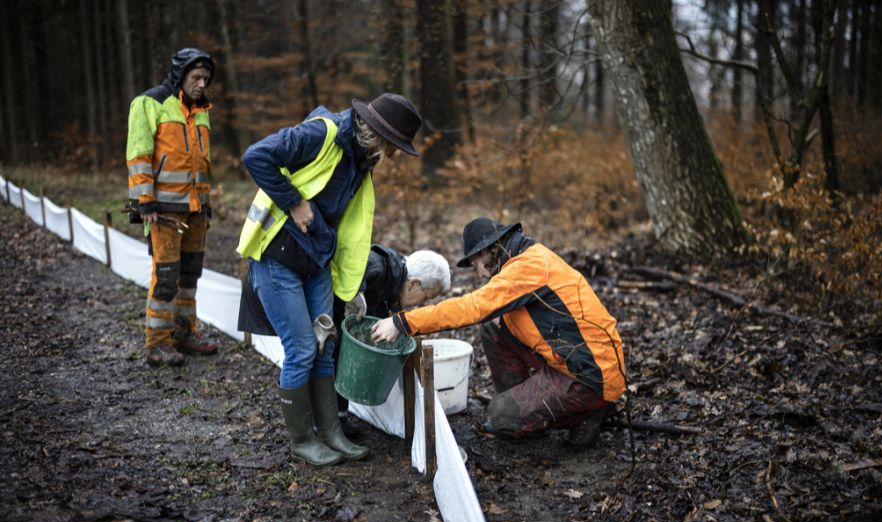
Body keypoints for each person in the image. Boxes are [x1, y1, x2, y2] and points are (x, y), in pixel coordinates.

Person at [236, 93, 423, 466]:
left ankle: (332, 433)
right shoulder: (321, 134)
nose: (395, 154)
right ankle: (303, 439)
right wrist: (293, 201)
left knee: (326, 346)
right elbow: (256, 155)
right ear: (378, 134)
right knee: (303, 349)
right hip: (278, 258)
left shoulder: (360, 160)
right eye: (394, 146)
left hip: (318, 260)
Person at [372, 218, 626, 444]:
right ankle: (527, 412)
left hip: (590, 374)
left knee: (500, 415)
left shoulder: (528, 267)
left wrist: (402, 322)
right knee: (494, 327)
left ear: (488, 250)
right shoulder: (525, 258)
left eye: (476, 264)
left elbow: (472, 306)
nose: (480, 273)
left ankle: (585, 413)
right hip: (569, 359)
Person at [126, 48, 219, 367]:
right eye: (196, 77)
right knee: (166, 276)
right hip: (163, 210)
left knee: (190, 275)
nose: (202, 84)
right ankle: (157, 343)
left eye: (206, 78)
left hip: (197, 209)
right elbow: (138, 154)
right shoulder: (150, 103)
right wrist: (144, 200)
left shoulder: (203, 110)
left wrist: (206, 204)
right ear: (181, 75)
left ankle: (184, 333)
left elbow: (203, 162)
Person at [332, 245, 451, 433]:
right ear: (413, 284)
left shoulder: (393, 286)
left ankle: (339, 417)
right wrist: (356, 293)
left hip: (343, 329)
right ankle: (324, 423)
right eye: (426, 297)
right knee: (331, 355)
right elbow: (352, 261)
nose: (424, 304)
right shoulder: (379, 266)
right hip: (326, 320)